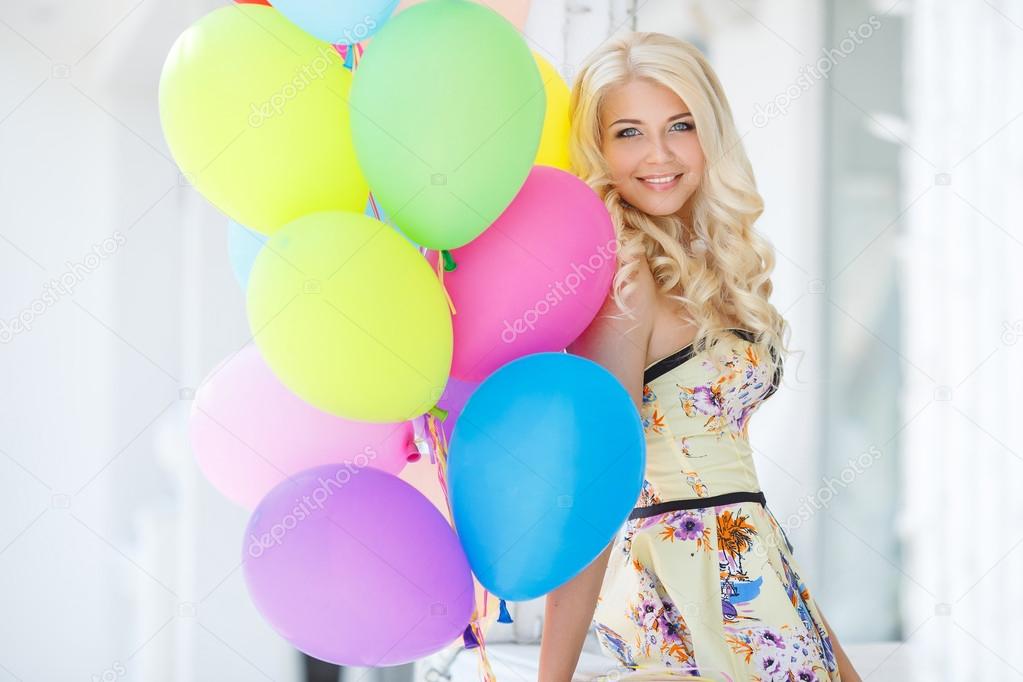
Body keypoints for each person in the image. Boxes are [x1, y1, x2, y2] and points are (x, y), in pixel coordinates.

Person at [537, 32, 861, 682]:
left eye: (678, 125)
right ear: (596, 148)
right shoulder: (624, 284)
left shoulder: (714, 265)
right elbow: (596, 490)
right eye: (627, 132)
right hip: (685, 604)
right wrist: (552, 678)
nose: (657, 154)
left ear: (709, 131)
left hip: (759, 582)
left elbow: (738, 499)